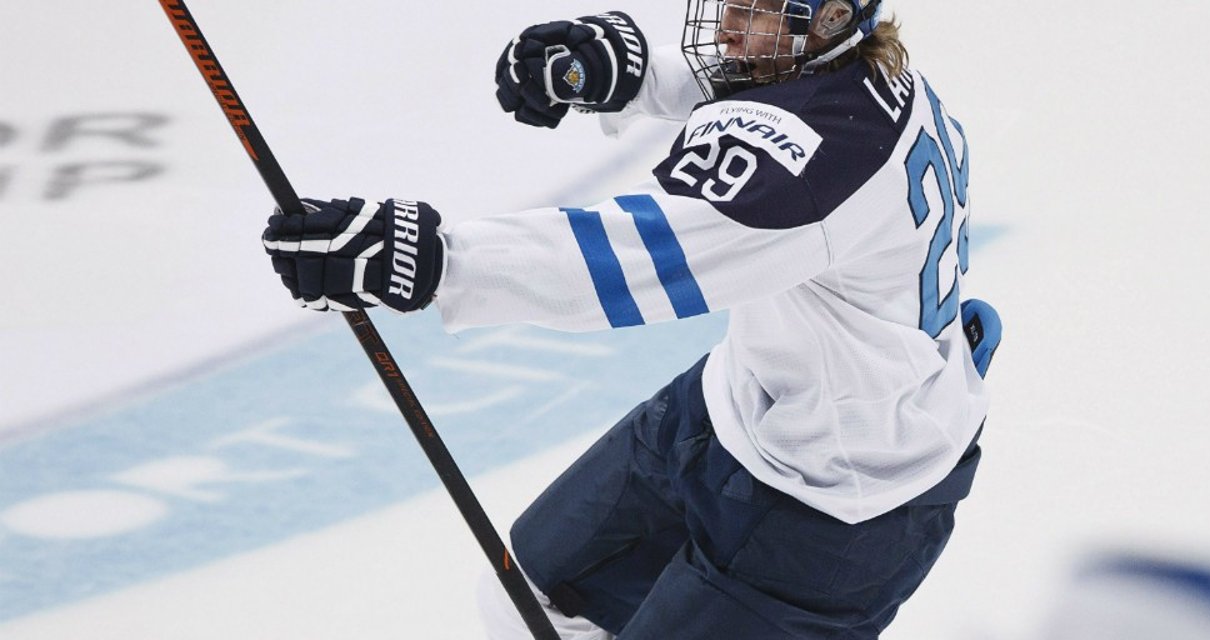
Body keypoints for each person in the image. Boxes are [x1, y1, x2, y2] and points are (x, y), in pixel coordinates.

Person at [260, 0, 995, 637]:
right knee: (534, 602)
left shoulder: (809, 173)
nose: (730, 30)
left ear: (832, 18)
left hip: (844, 506)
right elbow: (760, 89)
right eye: (728, 4)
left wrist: (433, 261)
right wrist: (630, 74)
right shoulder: (863, 76)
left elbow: (630, 260)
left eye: (757, 12)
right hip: (739, 409)